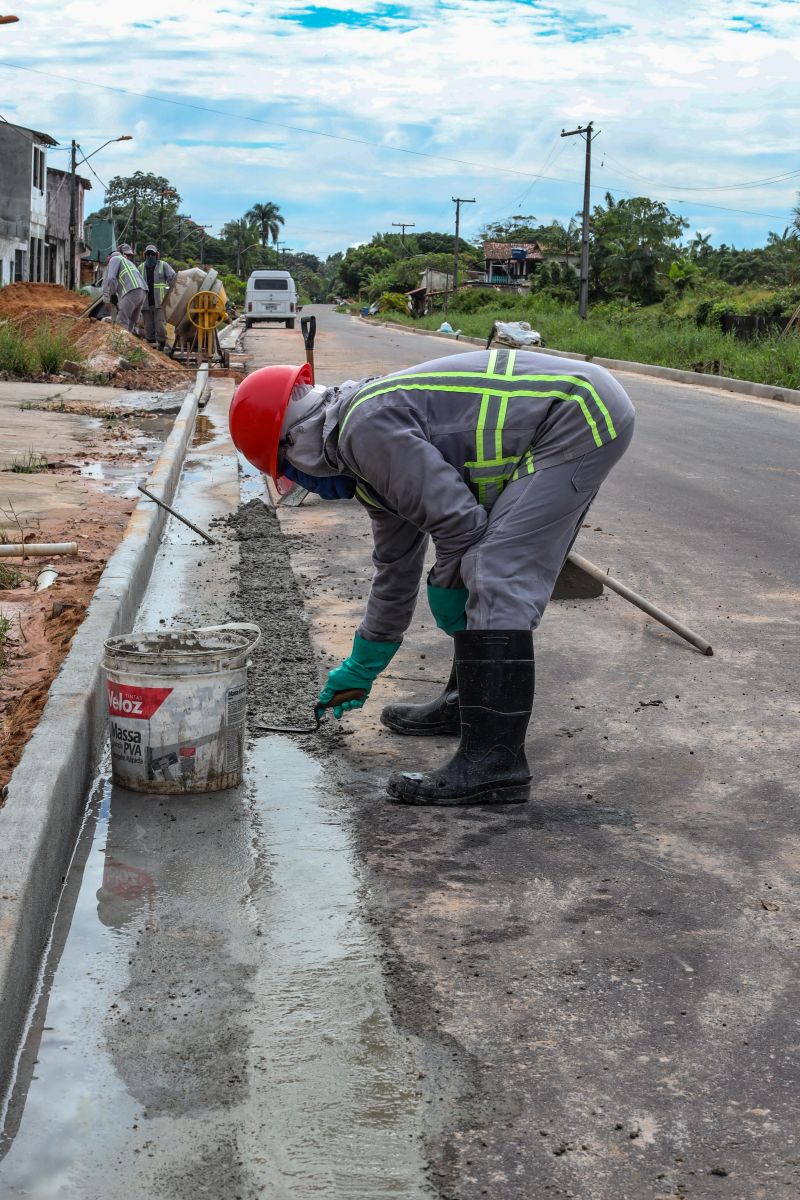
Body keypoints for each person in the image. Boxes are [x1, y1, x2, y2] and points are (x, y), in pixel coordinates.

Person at [229, 349, 635, 807]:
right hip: (570, 412)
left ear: (295, 442)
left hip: (577, 413)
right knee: (479, 568)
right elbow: (395, 569)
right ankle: (465, 703)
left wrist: (445, 586)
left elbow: (461, 528)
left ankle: (493, 765)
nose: (306, 483)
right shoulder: (363, 458)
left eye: (291, 471)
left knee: (494, 569)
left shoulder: (364, 430)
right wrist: (362, 666)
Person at [138, 244, 176, 351]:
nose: (150, 256)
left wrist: (170, 295)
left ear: (157, 255)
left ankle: (162, 347)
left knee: (160, 328)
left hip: (160, 303)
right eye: (148, 254)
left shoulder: (163, 265)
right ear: (144, 255)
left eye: (153, 254)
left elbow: (174, 278)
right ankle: (151, 349)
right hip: (145, 303)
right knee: (148, 328)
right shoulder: (140, 268)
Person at [102, 245, 146, 335]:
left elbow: (111, 278)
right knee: (130, 324)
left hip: (132, 290)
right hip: (143, 291)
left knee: (121, 322)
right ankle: (129, 346)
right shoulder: (129, 263)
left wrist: (113, 294)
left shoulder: (115, 259)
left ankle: (120, 347)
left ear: (109, 258)